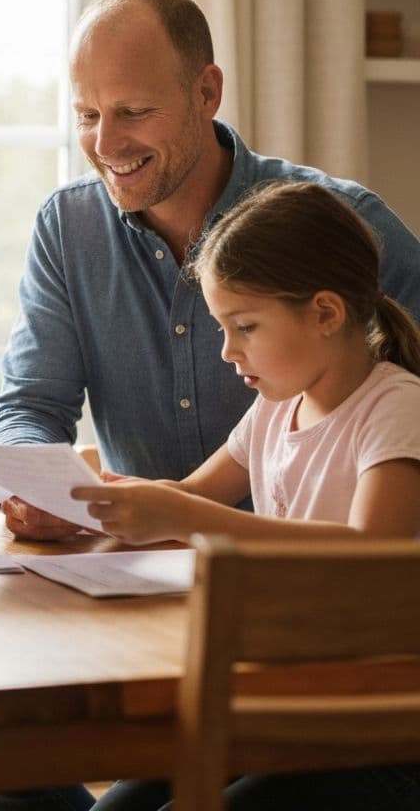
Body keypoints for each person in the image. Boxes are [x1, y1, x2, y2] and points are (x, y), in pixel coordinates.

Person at [0, 0, 420, 542]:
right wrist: (35, 483)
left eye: (134, 111)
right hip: (143, 569)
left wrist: (184, 516)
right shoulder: (67, 229)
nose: (106, 144)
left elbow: (377, 547)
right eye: (88, 115)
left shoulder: (340, 223)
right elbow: (30, 405)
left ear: (206, 92)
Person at [74, 179, 420, 811]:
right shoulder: (273, 408)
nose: (228, 351)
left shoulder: (395, 407)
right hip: (282, 702)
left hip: (379, 734)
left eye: (245, 326)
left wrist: (184, 513)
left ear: (324, 313)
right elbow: (187, 495)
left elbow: (374, 555)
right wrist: (87, 503)